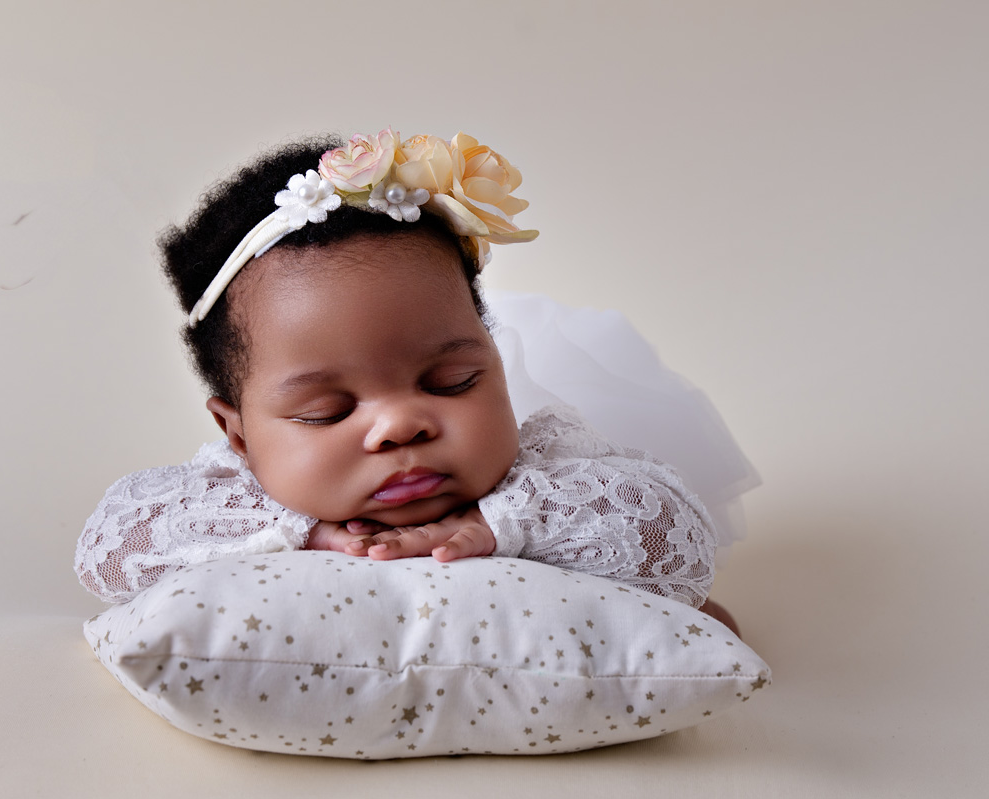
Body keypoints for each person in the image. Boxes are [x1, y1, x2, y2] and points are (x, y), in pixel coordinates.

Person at [74, 130, 746, 632]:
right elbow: (110, 551)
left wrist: (499, 524)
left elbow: (674, 535)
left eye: (452, 381)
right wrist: (305, 532)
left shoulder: (546, 473)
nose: (401, 424)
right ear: (239, 435)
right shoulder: (235, 498)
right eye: (327, 410)